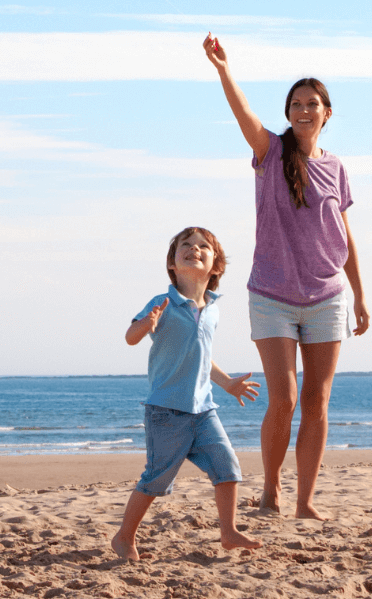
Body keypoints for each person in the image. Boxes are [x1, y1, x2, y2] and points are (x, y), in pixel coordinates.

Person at [203, 34, 369, 520]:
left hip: (328, 295)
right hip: (273, 295)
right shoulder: (271, 153)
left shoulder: (336, 167)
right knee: (286, 398)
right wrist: (223, 68)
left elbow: (345, 234)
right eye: (296, 104)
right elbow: (243, 113)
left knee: (317, 402)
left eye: (312, 104)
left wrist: (359, 295)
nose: (303, 110)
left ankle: (304, 501)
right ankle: (271, 489)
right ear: (289, 111)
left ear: (327, 113)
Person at [111, 227, 263, 562]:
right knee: (155, 480)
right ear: (173, 263)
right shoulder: (162, 302)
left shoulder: (212, 308)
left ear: (215, 267)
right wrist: (145, 324)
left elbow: (202, 356)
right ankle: (124, 536)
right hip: (167, 410)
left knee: (227, 467)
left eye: (203, 246)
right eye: (186, 245)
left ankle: (228, 531)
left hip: (204, 409)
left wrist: (228, 384)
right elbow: (130, 337)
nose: (194, 248)